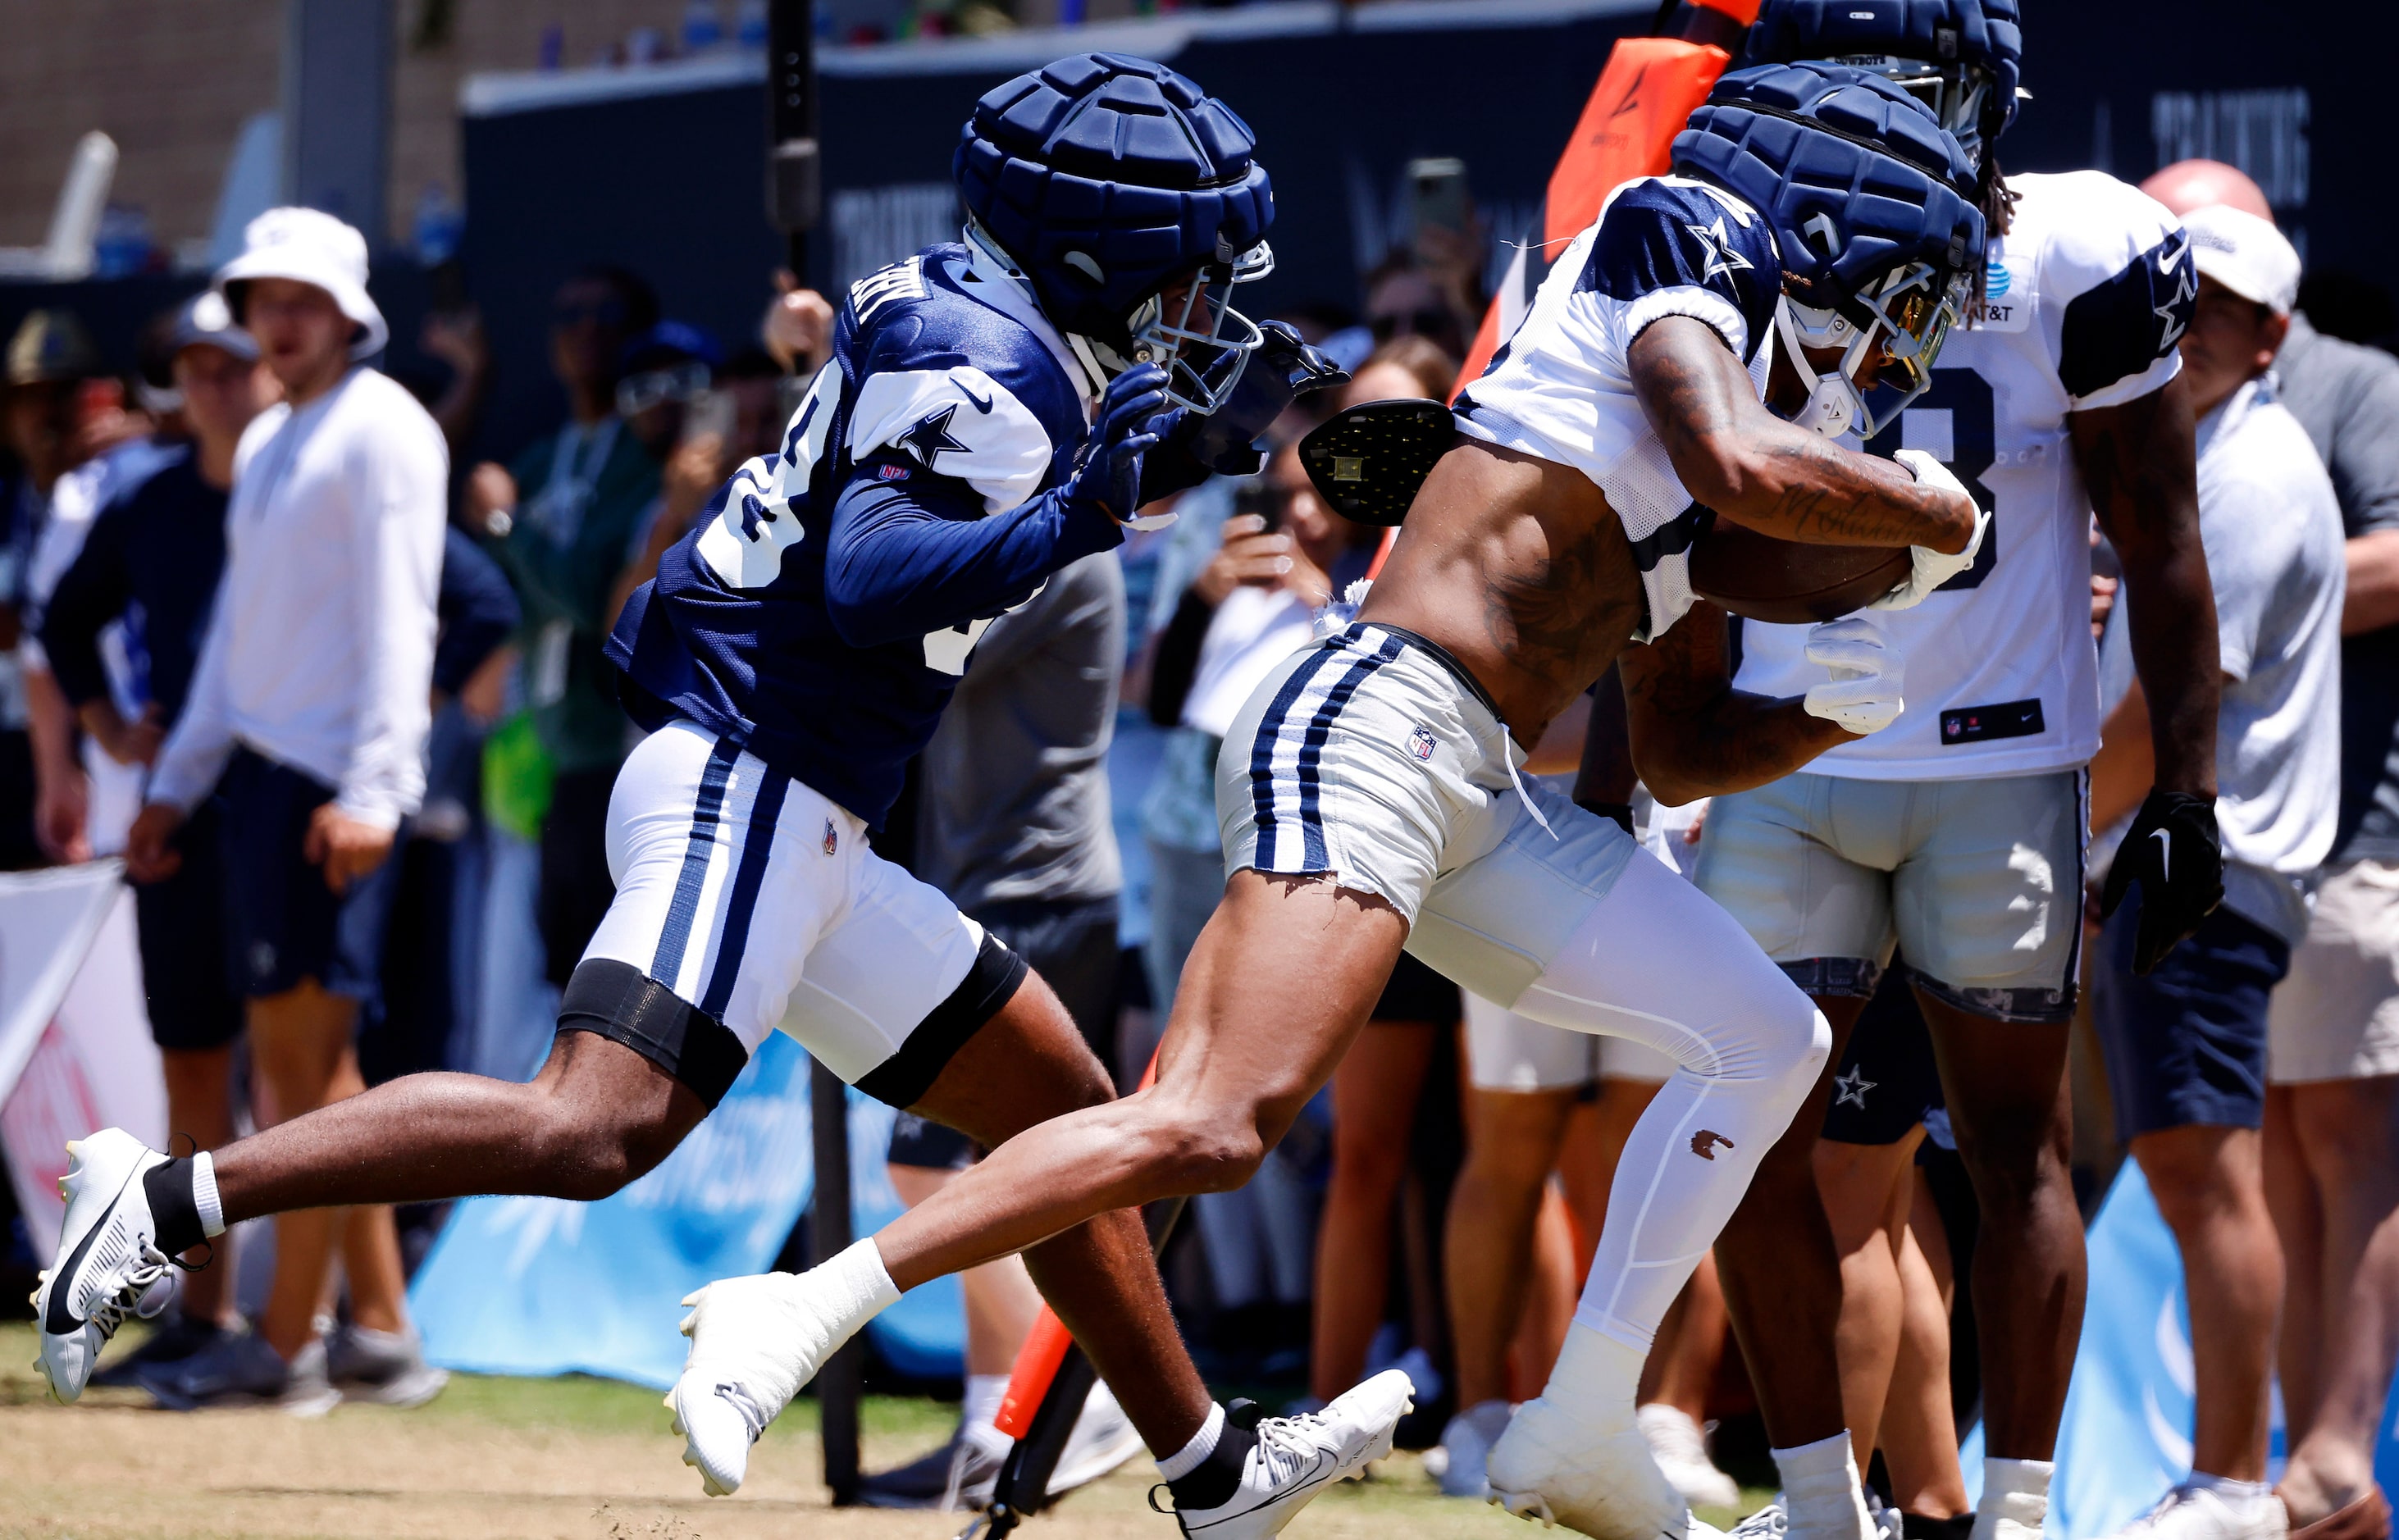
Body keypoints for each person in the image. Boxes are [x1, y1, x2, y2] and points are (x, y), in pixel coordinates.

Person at [38, 53, 1401, 1540]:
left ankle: (1207, 1471)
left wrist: (1069, 478)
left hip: (800, 809)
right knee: (588, 1128)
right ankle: (157, 1202)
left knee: (1062, 1115)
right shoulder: (993, 366)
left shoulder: (978, 314)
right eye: (1192, 269)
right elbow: (873, 579)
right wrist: (1065, 515)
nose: (1208, 309)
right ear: (1102, 250)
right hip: (753, 779)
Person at [691, 62, 1993, 1540]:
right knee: (1210, 1121)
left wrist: (1821, 707)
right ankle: (799, 1305)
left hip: (1481, 788)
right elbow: (1736, 461)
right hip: (1371, 719)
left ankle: (1589, 1422)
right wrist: (1934, 514)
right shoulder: (1682, 231)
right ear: (1846, 234)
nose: (1909, 347)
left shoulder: (1734, 432)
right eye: (1915, 296)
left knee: (1768, 1038)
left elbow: (1683, 742)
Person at [1717, 11, 2223, 1540]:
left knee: (2017, 1155)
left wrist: (2188, 785)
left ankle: (2013, 1508)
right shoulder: (1724, 227)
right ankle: (1820, 1503)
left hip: (1990, 761)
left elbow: (2160, 527)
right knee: (1743, 1142)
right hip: (1781, 748)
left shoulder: (2077, 243)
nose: (1881, 116)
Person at [92, 207, 449, 1408]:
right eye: (262, 302)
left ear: (351, 313)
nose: (279, 323)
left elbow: (408, 620)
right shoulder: (273, 442)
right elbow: (231, 652)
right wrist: (178, 782)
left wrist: (375, 792)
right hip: (259, 789)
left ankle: (284, 1342)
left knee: (305, 1079)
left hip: (330, 793)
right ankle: (381, 1331)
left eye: (303, 302)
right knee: (304, 1075)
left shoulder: (385, 428)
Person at [2146, 159, 2399, 1540]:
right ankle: (2302, 1481)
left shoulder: (2346, 395)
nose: (2181, 300)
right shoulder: (2128, 400)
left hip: (2353, 823)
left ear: (2271, 313)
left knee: (2342, 1139)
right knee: (2260, 1158)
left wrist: (2224, 583)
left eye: (2211, 277)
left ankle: (2327, 1459)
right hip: (2232, 828)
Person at [2082, 200, 2342, 1540]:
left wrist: (2064, 835)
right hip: (2199, 866)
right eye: (2174, 302)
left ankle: (2235, 1484)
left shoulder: (2244, 471)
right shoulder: (2215, 449)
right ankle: (2232, 1477)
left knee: (2204, 1170)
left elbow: (2169, 710)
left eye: (2218, 312)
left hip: (2202, 869)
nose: (2186, 333)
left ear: (2271, 336)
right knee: (2201, 1168)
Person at [860, 546, 1142, 1510]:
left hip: (1042, 895)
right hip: (988, 893)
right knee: (984, 1166)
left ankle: (1069, 1399)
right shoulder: (1014, 544)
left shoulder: (1069, 547)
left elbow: (920, 655)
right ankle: (994, 1431)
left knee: (930, 1166)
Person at [35, 294, 275, 1380]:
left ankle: (317, 1326)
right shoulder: (150, 500)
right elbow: (62, 620)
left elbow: (456, 606)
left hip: (285, 807)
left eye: (235, 364)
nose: (216, 385)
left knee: (301, 1070)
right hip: (179, 809)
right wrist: (107, 729)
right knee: (192, 1062)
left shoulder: (313, 479)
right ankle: (204, 1317)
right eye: (197, 367)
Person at [466, 267, 664, 992]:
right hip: (537, 756)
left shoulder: (648, 456)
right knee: (546, 984)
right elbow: (494, 592)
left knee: (622, 982)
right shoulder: (541, 460)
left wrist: (509, 526)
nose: (584, 327)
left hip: (620, 745)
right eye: (568, 312)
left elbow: (590, 597)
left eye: (605, 311)